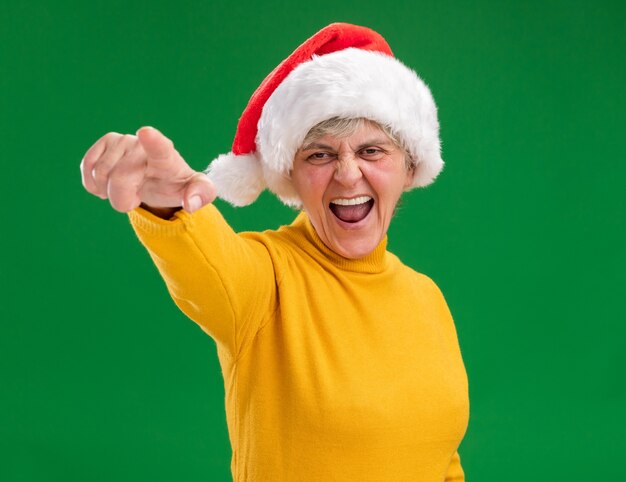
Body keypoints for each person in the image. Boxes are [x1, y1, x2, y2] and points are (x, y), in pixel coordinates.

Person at [80, 23, 469, 481]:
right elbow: (204, 256)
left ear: (409, 167)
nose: (347, 175)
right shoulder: (265, 279)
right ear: (291, 176)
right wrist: (166, 200)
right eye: (319, 155)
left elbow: (441, 459)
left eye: (371, 150)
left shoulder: (426, 297)